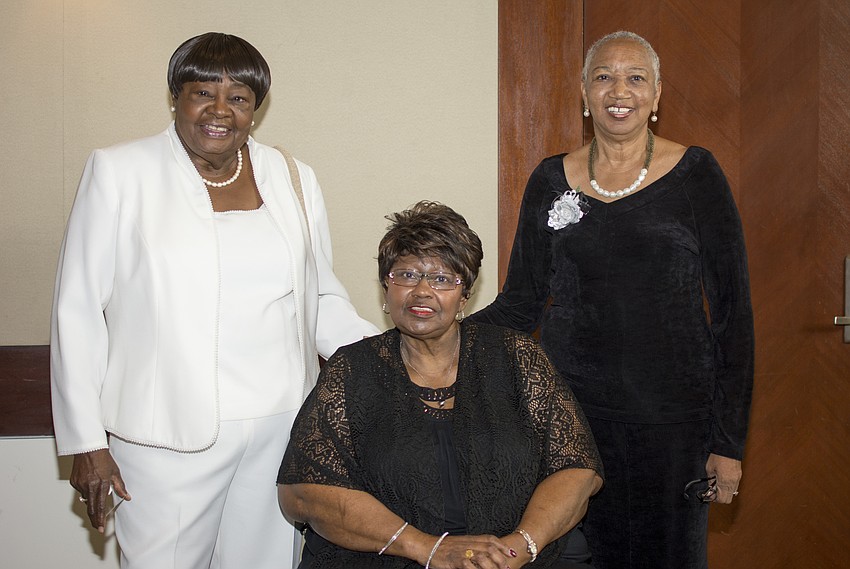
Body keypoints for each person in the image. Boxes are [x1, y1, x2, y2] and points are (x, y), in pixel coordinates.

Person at [50, 32, 379, 569]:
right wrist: (86, 440)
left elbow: (320, 299)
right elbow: (78, 310)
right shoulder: (120, 172)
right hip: (165, 436)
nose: (220, 110)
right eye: (203, 93)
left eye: (238, 98)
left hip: (280, 427)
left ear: (256, 108)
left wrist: (403, 360)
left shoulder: (293, 177)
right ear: (176, 98)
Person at [470, 31, 754, 569]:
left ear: (656, 94)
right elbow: (520, 304)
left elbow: (733, 318)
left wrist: (728, 444)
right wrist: (434, 335)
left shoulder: (697, 175)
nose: (618, 90)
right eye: (603, 76)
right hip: (571, 425)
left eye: (635, 77)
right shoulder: (550, 179)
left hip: (673, 429)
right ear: (584, 92)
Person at [278, 201, 603, 569]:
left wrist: (517, 549)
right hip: (393, 559)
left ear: (464, 296)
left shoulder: (517, 356)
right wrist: (426, 548)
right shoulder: (351, 369)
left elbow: (578, 469)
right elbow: (302, 492)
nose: (422, 291)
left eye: (442, 278)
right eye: (406, 275)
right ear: (386, 288)